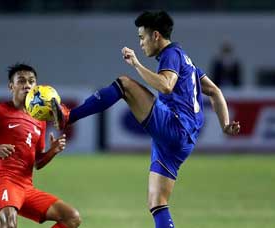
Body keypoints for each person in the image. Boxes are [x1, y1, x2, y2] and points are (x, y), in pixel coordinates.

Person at [50, 11, 240, 228]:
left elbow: (166, 85)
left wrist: (137, 65)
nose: (140, 43)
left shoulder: (171, 54)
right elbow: (215, 91)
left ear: (156, 35)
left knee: (125, 84)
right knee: (157, 203)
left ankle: (68, 116)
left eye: (142, 37)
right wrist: (225, 125)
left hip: (176, 126)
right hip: (183, 141)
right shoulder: (186, 60)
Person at [0, 63, 81, 228]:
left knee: (71, 217)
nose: (27, 85)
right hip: (5, 181)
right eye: (22, 81)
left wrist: (52, 152)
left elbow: (37, 163)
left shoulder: (39, 120)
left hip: (26, 187)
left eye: (31, 81)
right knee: (9, 224)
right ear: (11, 86)